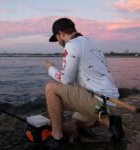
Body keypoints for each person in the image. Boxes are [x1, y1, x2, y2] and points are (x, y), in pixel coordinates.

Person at [44, 18, 124, 150]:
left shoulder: (72, 45)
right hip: (111, 104)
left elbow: (66, 80)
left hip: (98, 101)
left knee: (51, 89)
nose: (59, 42)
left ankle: (57, 138)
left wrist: (50, 69)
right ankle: (110, 122)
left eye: (57, 38)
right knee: (75, 120)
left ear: (61, 33)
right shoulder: (92, 43)